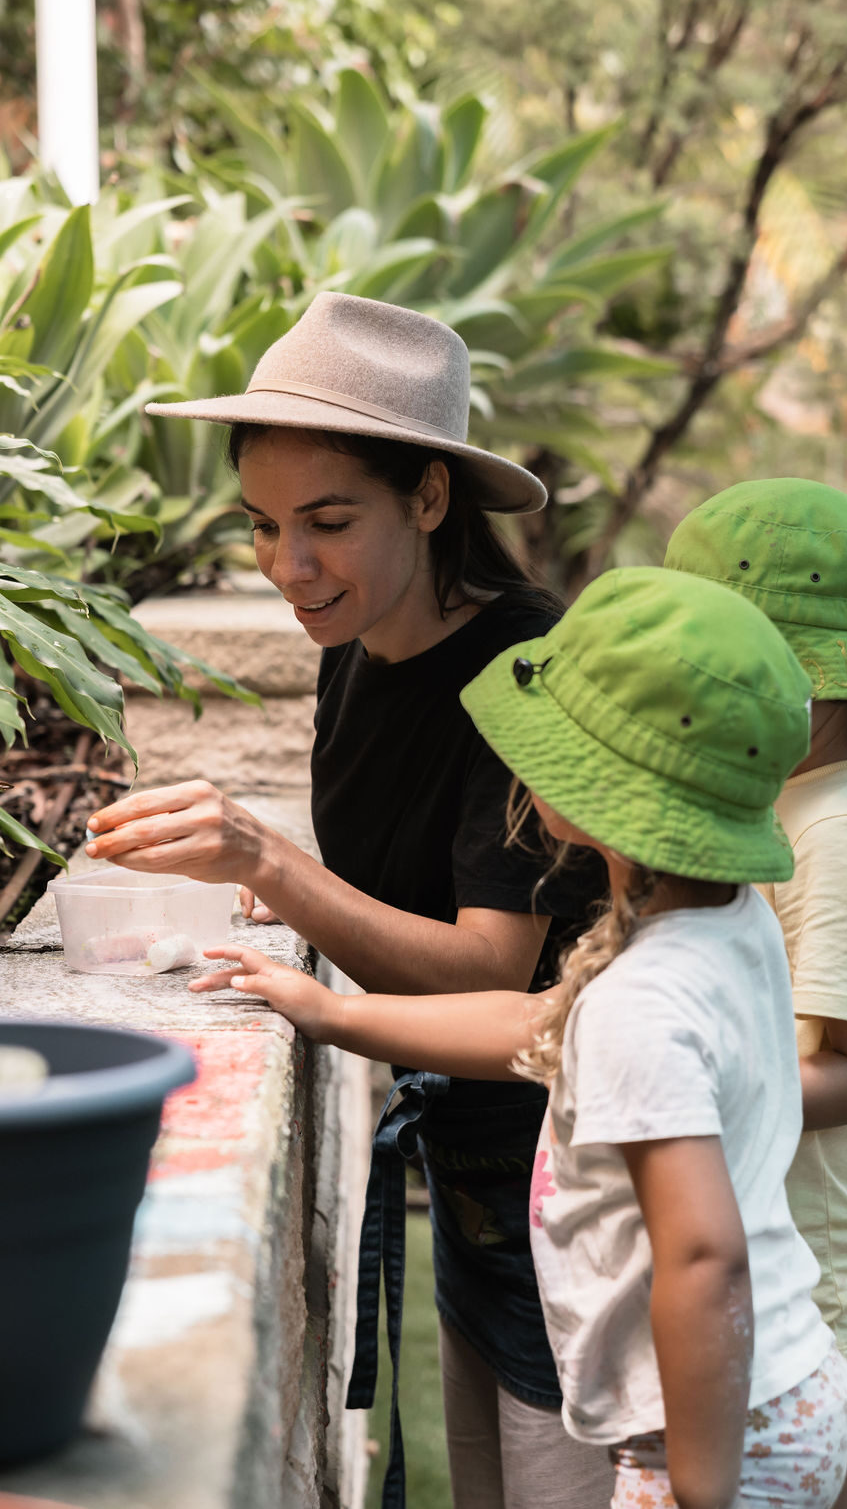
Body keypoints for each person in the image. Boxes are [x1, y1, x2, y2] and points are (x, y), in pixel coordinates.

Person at [84, 293, 612, 1509]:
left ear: (431, 497)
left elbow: (495, 964)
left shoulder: (522, 669)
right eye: (264, 525)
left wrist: (275, 866)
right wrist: (292, 901)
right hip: (474, 1159)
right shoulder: (354, 638)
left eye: (329, 521)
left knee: (559, 1476)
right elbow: (396, 885)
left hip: (574, 1166)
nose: (289, 566)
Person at [195, 565, 847, 1509]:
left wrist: (694, 1483)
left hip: (719, 1431)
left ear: (601, 790)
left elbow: (705, 1254)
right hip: (790, 1378)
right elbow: (542, 1026)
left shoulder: (645, 998)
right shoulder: (720, 921)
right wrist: (333, 1012)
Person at [665, 478, 847, 1509]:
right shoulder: (800, 798)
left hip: (828, 1264)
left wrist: (682, 1096)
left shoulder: (833, 830)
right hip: (782, 1241)